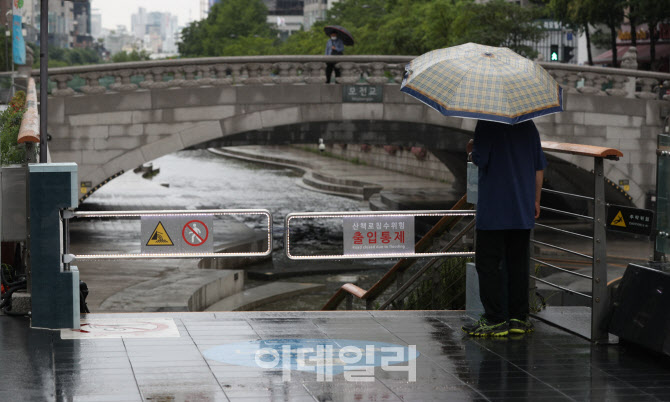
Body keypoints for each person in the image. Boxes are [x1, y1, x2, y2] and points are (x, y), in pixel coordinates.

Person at [463, 119, 547, 337]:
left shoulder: (487, 124)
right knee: (518, 263)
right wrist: (536, 200)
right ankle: (518, 318)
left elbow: (480, 159)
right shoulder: (529, 126)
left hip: (494, 208)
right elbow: (539, 167)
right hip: (522, 207)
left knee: (488, 264)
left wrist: (471, 149)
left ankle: (495, 319)